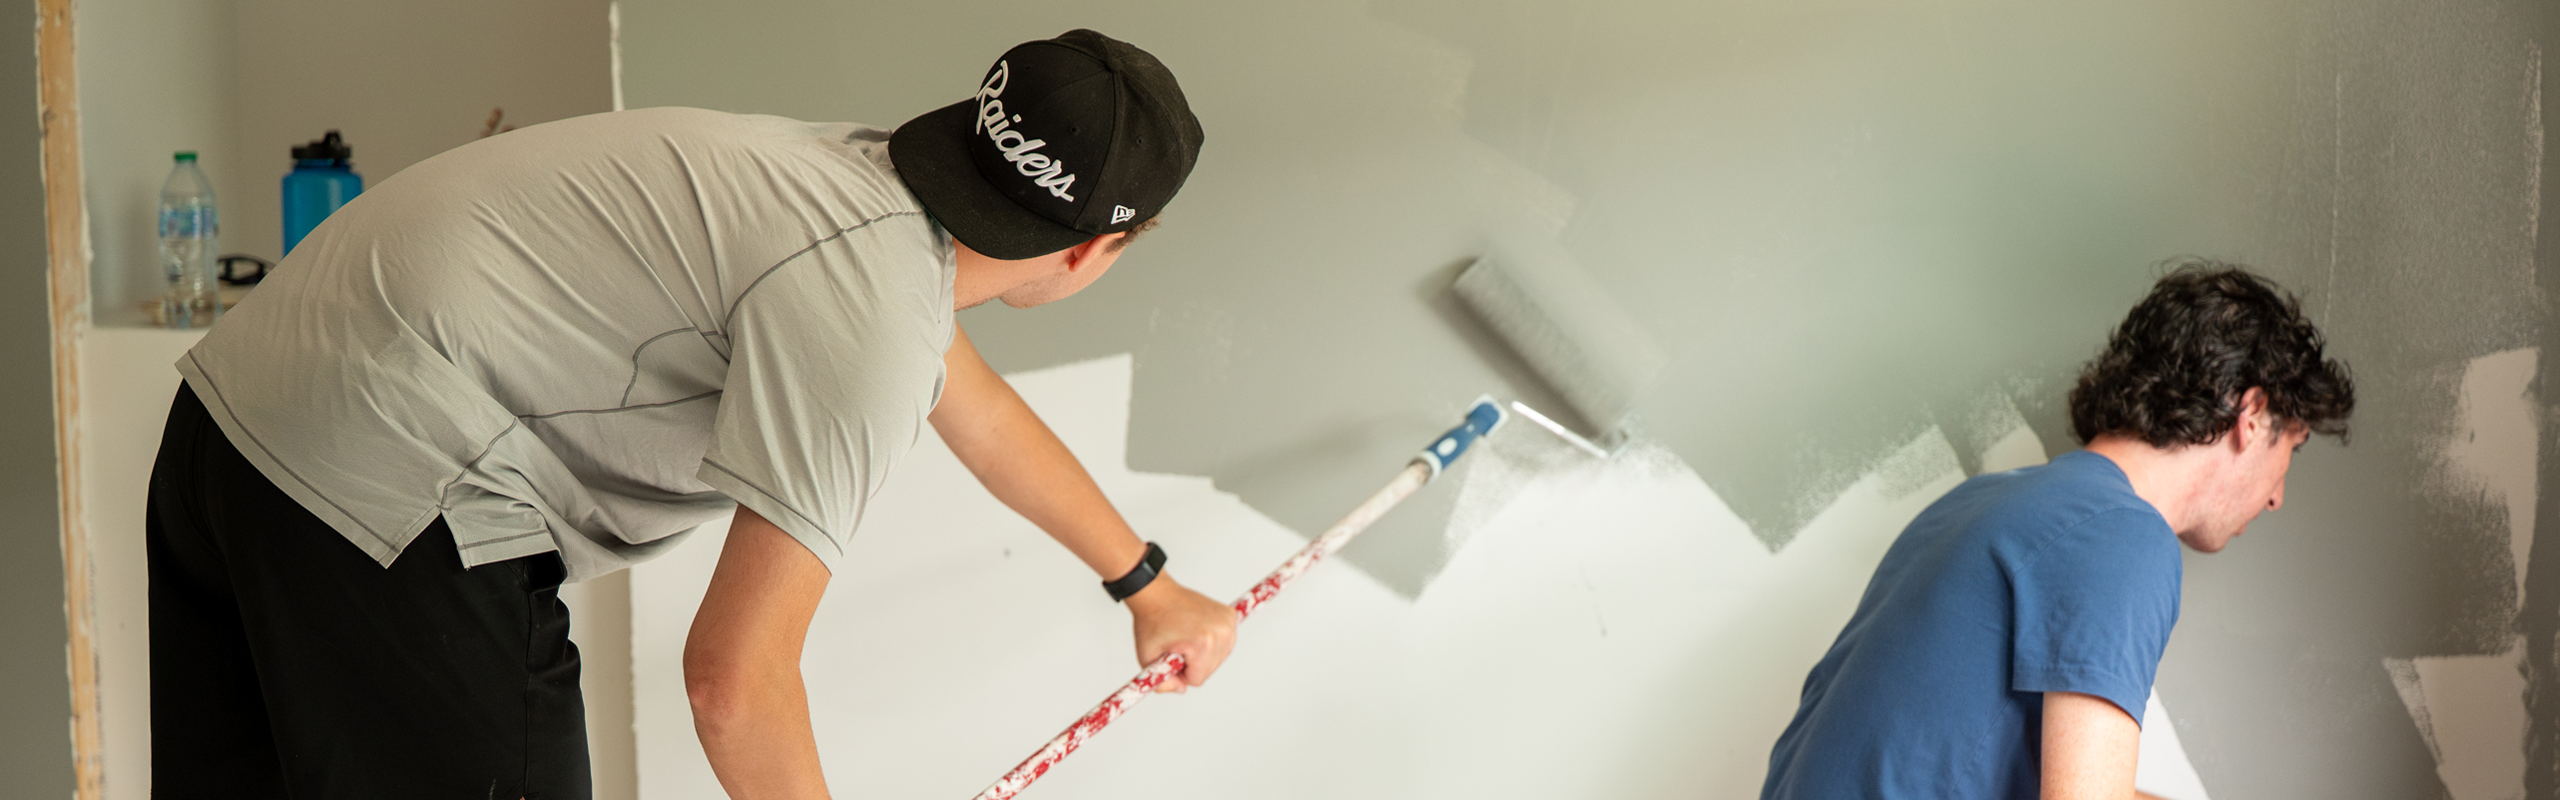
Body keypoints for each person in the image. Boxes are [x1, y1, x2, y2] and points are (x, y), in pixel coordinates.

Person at [145, 30, 1238, 800]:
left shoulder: (843, 183)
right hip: (389, 487)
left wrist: (1148, 582)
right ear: (1096, 248)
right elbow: (734, 681)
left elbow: (979, 411)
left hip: (232, 423)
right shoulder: (869, 310)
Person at [1759, 262, 2355, 799]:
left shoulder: (1979, 504)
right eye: (2292, 447)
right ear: (2251, 417)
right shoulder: (2124, 535)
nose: (2277, 495)